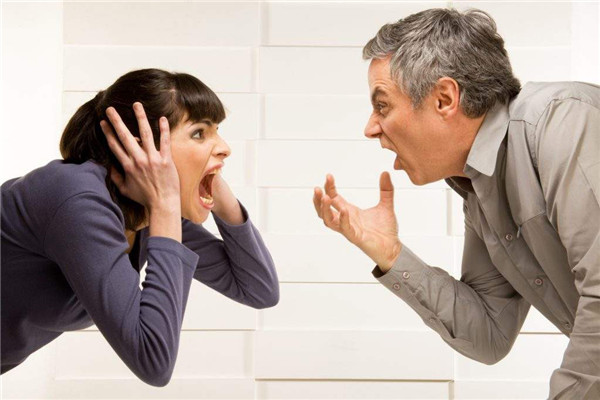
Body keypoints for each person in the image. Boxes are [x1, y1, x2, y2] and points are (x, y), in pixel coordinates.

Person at [313, 8, 599, 399]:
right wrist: (392, 254)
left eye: (382, 106)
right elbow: (490, 333)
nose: (371, 127)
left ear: (445, 98)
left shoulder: (561, 122)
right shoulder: (481, 189)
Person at [1, 68, 279, 386]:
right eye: (199, 133)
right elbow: (153, 362)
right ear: (142, 150)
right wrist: (166, 204)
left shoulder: (142, 211)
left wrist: (218, 192)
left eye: (217, 131)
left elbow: (258, 289)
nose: (225, 147)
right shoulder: (78, 199)